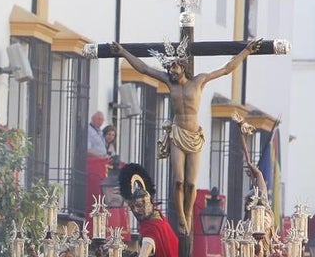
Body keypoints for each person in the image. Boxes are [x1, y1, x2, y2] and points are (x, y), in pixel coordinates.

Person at [110, 37, 264, 234]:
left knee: (191, 183)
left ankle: (189, 213)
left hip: (194, 136)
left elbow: (226, 69)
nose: (171, 71)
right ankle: (181, 217)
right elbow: (144, 69)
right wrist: (123, 52)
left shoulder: (199, 81)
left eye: (174, 67)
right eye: (168, 68)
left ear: (182, 66)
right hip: (177, 133)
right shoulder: (168, 82)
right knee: (178, 180)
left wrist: (247, 51)